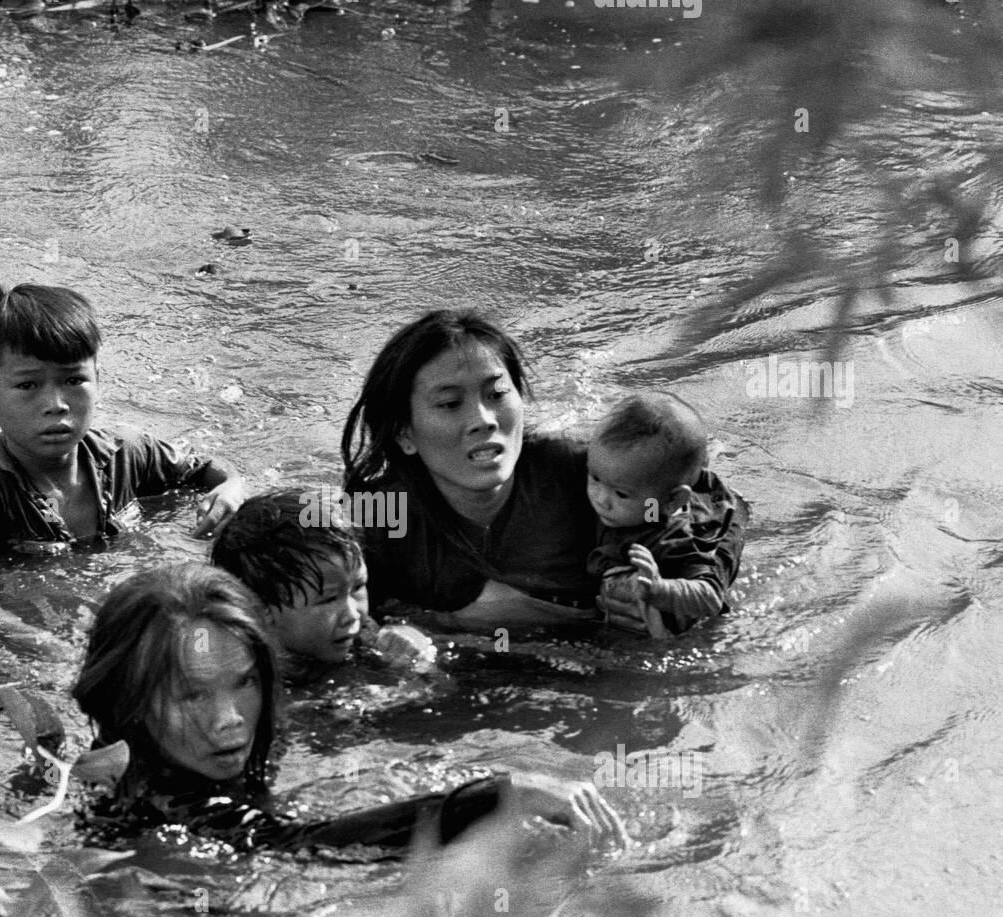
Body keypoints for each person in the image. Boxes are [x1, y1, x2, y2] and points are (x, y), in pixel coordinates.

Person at [72, 563, 627, 852]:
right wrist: (492, 798)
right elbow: (290, 844)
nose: (230, 719)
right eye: (193, 694)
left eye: (243, 682)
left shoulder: (246, 723)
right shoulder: (153, 791)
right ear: (131, 704)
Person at [340, 310, 745, 635]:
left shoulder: (580, 474)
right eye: (449, 403)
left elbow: (717, 502)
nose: (483, 419)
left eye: (497, 394)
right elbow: (317, 591)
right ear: (405, 434)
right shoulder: (381, 511)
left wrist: (673, 605)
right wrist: (439, 625)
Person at [0, 282, 245, 570]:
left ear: (99, 383)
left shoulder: (127, 454)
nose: (56, 404)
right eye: (28, 385)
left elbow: (204, 469)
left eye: (73, 380)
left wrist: (231, 487)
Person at [209, 488, 436, 681]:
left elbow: (441, 684)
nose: (352, 613)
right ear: (260, 612)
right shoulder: (242, 673)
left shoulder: (363, 633)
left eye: (357, 587)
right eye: (328, 599)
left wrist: (416, 649)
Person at [586, 393, 750, 635]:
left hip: (708, 511)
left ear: (672, 501)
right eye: (595, 478)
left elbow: (711, 598)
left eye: (620, 494)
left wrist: (661, 589)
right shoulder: (621, 482)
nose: (600, 499)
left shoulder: (673, 539)